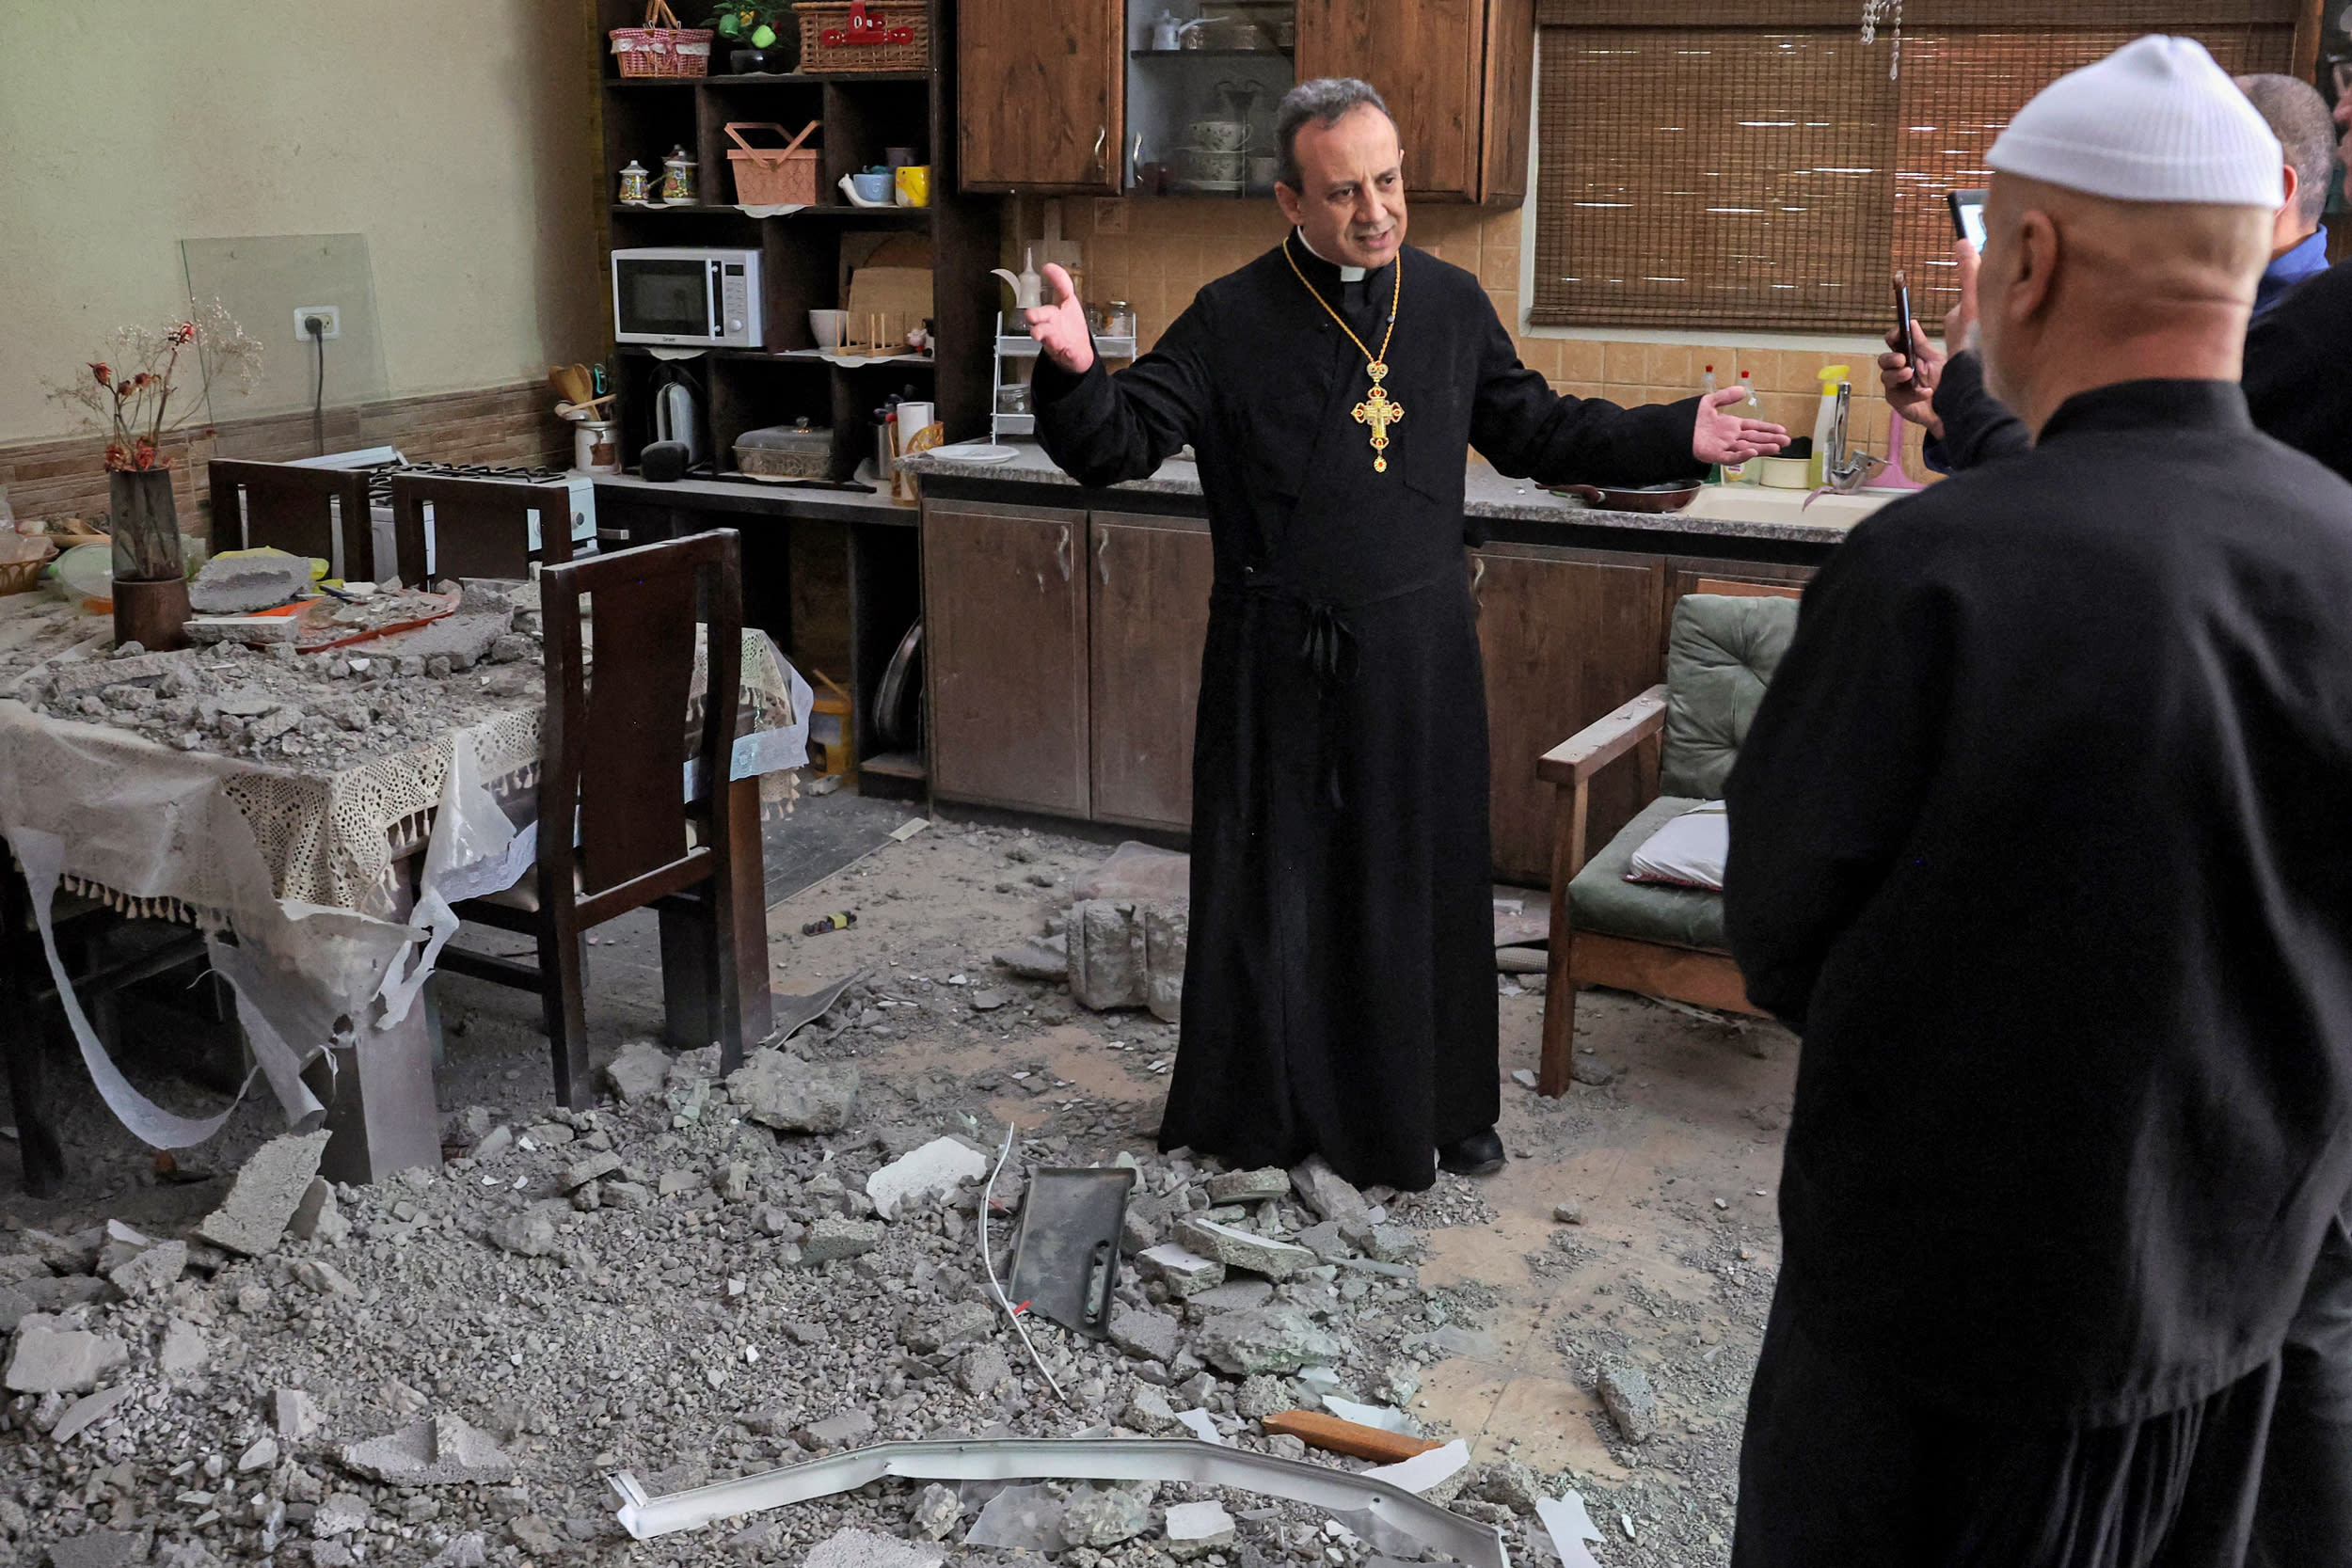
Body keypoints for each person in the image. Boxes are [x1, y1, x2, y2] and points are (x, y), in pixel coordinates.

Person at [1723, 36, 2352, 1566]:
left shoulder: (1927, 573)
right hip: (2227, 1335)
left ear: (2033, 261)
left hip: (1919, 1354)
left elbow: (1781, 928)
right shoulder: (2339, 553)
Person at [1023, 77, 1787, 1191]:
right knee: (1280, 887)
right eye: (1343, 192)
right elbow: (1119, 443)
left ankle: (1440, 1109)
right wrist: (1076, 372)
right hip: (1277, 660)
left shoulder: (1449, 301)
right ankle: (1266, 1112)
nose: (1374, 211)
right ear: (1290, 200)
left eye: (1387, 182)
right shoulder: (1230, 315)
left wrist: (1675, 432)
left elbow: (1538, 429)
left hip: (1420, 655)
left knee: (1420, 879)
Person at [1883, 71, 2350, 478]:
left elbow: (2103, 504)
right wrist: (1956, 410)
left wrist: (1971, 376)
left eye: (2180, 171)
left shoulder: (2311, 349)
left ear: (2270, 190)